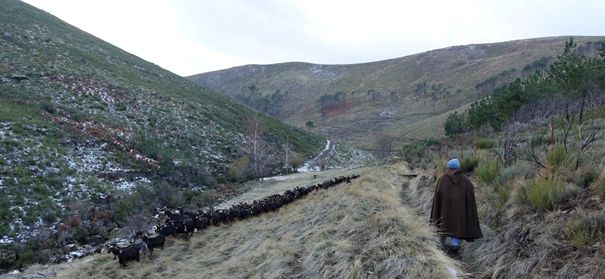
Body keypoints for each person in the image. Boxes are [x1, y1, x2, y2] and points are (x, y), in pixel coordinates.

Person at [430, 158, 482, 252]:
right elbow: (470, 196)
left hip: (444, 209)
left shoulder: (442, 179)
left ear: (448, 167)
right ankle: (455, 243)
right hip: (459, 210)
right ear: (458, 167)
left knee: (443, 221)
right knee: (458, 224)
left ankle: (441, 240)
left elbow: (438, 195)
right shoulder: (466, 181)